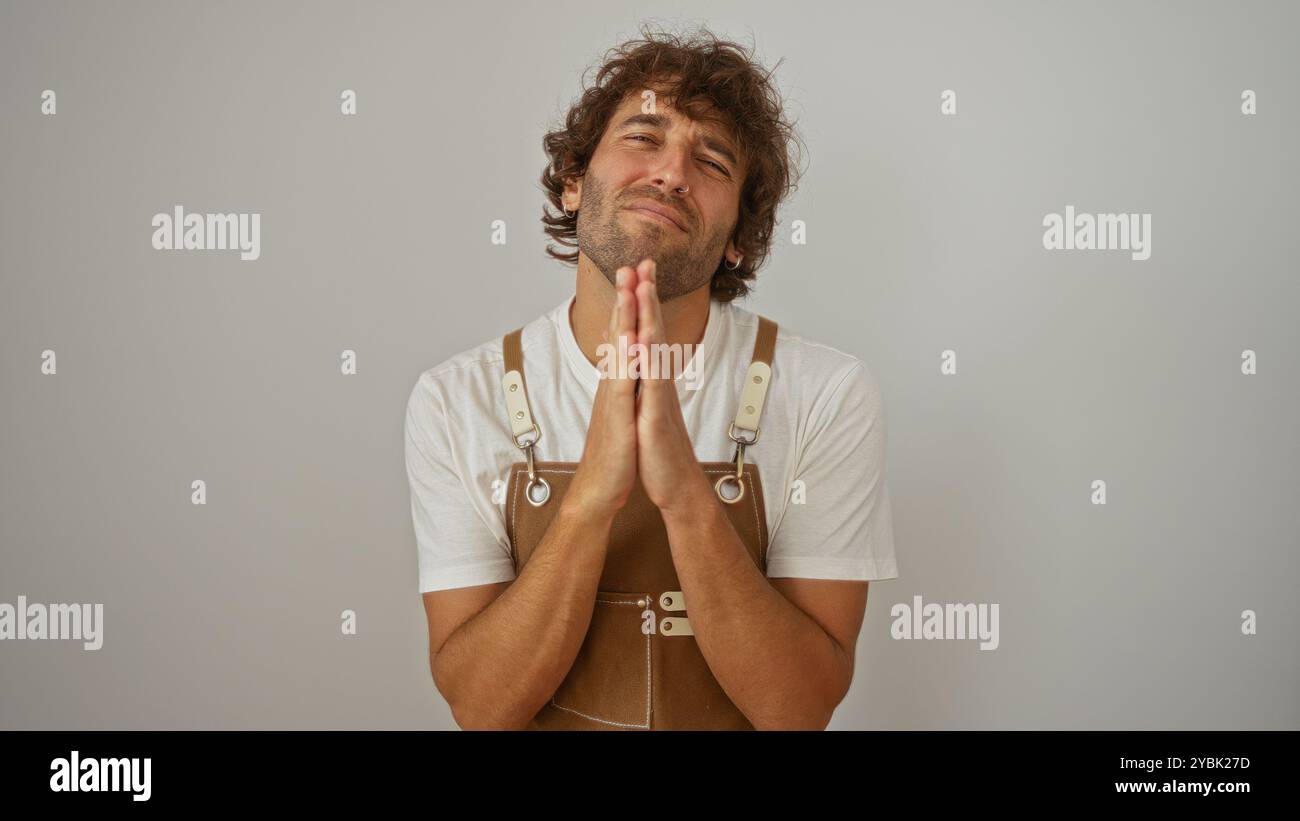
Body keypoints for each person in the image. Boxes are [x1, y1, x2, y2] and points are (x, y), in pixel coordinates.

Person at [404, 26, 897, 730]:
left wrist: (684, 496)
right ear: (574, 183)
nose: (671, 172)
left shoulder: (826, 394)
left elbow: (799, 707)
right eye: (644, 136)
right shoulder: (457, 399)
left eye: (712, 160)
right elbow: (481, 707)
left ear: (736, 241)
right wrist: (591, 500)